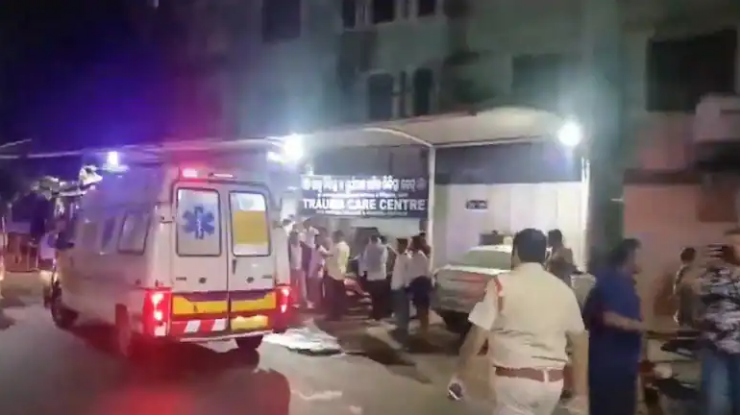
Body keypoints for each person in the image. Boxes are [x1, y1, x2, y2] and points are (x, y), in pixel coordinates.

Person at [449, 228, 588, 415]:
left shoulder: (500, 285)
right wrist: (580, 394)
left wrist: (460, 375)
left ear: (515, 253)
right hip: (552, 387)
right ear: (545, 256)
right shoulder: (564, 291)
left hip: (515, 385)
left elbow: (477, 335)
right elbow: (580, 342)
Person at [682, 230, 740, 415]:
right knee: (715, 404)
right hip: (716, 347)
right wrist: (698, 263)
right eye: (728, 246)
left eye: (738, 244)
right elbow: (687, 286)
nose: (732, 249)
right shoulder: (714, 273)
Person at [584, 238, 644, 415]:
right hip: (609, 367)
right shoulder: (609, 282)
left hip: (624, 366)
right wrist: (638, 326)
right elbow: (605, 316)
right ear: (630, 257)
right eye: (641, 256)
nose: (644, 260)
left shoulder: (626, 283)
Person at [407, 235, 432, 338]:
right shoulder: (417, 256)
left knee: (422, 309)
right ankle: (423, 330)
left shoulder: (419, 256)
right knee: (420, 309)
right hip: (419, 283)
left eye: (411, 243)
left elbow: (417, 272)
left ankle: (424, 331)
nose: (410, 245)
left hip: (420, 284)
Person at [324, 230, 350, 321]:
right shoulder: (346, 247)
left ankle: (334, 314)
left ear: (339, 237)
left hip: (333, 273)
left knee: (333, 296)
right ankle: (340, 313)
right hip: (341, 272)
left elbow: (332, 259)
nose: (333, 238)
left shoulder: (337, 247)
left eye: (334, 236)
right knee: (340, 294)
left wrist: (326, 256)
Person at [361, 234, 389, 320]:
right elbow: (384, 260)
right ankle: (380, 314)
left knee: (374, 297)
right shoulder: (383, 248)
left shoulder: (367, 248)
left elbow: (365, 260)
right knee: (381, 298)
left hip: (371, 276)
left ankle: (374, 313)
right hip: (381, 276)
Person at [390, 238, 411, 343]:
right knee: (398, 310)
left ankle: (403, 332)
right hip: (395, 287)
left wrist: (406, 287)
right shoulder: (399, 256)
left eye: (399, 245)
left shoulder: (407, 258)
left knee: (403, 311)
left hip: (401, 288)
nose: (397, 247)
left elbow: (408, 275)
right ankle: (399, 328)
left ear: (404, 245)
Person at [673, 247, 699, 328]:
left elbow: (677, 285)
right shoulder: (688, 269)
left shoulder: (683, 270)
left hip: (686, 295)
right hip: (688, 295)